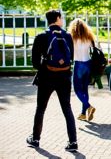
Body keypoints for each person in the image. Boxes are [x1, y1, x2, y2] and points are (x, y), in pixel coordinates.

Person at [26, 9, 78, 152]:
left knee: (41, 108)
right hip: (64, 77)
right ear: (58, 18)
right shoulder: (68, 36)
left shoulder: (41, 36)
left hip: (46, 77)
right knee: (67, 109)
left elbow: (35, 62)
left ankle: (35, 139)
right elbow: (71, 57)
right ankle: (73, 142)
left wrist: (46, 67)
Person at [68, 18, 96, 122]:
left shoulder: (71, 37)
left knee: (76, 89)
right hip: (88, 63)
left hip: (78, 63)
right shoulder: (89, 37)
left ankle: (88, 106)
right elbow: (97, 48)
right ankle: (83, 113)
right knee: (84, 89)